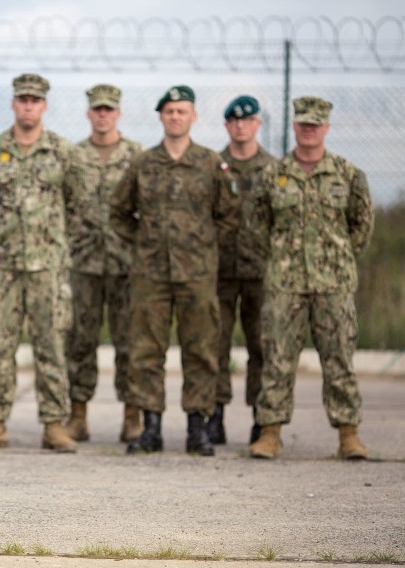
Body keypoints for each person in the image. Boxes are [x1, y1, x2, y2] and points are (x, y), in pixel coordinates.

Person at [0, 73, 97, 453]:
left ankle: (54, 424)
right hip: (1, 266)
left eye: (35, 100)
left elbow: (78, 206)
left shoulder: (64, 153)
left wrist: (53, 241)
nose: (28, 105)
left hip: (47, 266)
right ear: (13, 104)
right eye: (23, 99)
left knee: (52, 344)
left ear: (44, 105)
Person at [110, 85, 237, 457]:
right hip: (151, 275)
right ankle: (151, 428)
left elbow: (229, 215)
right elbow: (119, 212)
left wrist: (204, 245)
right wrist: (143, 243)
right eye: (169, 111)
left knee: (201, 350)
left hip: (197, 275)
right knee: (146, 351)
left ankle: (197, 429)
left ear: (193, 116)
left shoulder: (211, 163)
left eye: (182, 111)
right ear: (161, 117)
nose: (176, 117)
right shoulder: (143, 164)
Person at [248, 96, 374, 460]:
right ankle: (270, 433)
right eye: (303, 124)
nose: (309, 130)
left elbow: (361, 225)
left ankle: (349, 434)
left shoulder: (347, 174)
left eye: (315, 125)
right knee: (277, 360)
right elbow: (257, 226)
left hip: (333, 286)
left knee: (339, 361)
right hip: (285, 285)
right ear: (294, 127)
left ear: (326, 129)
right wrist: (279, 258)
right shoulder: (274, 174)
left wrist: (338, 259)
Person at [64, 83, 144, 444]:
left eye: (109, 109)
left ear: (118, 113)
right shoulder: (73, 155)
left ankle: (132, 415)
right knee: (80, 340)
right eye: (97, 108)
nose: (103, 114)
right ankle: (78, 414)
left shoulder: (137, 155)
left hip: (126, 262)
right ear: (88, 113)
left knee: (129, 340)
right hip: (84, 261)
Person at [208, 95, 275, 446]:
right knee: (215, 345)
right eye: (234, 120)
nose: (240, 125)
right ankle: (214, 416)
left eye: (247, 120)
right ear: (227, 126)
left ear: (257, 124)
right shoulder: (213, 165)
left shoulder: (274, 169)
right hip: (219, 271)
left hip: (262, 272)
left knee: (261, 347)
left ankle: (260, 419)